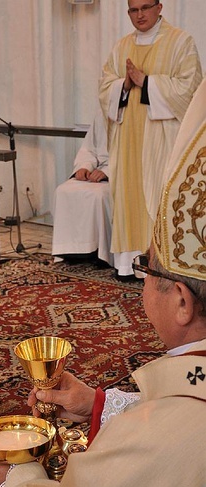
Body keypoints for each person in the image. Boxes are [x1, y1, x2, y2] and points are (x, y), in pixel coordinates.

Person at [0, 77, 206, 487]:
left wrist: (19, 475)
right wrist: (97, 403)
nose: (141, 281)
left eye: (146, 268)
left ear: (182, 300)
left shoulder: (152, 446)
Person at [98, 0, 202, 280]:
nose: (140, 15)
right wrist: (124, 84)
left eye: (145, 7)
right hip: (128, 141)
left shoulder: (181, 42)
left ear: (159, 7)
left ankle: (159, 266)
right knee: (128, 198)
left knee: (158, 197)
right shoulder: (121, 47)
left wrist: (148, 82)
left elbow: (190, 89)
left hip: (163, 141)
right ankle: (127, 264)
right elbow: (105, 87)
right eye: (133, 10)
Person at [52, 110, 114, 267]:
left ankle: (98, 252)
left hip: (118, 175)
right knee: (63, 190)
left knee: (98, 195)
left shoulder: (135, 114)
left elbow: (135, 156)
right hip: (95, 170)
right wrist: (84, 167)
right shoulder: (101, 115)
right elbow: (89, 149)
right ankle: (70, 251)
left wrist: (107, 172)